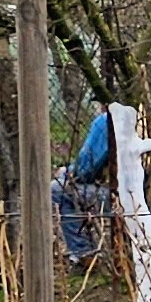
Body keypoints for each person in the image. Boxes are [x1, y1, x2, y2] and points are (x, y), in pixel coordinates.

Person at [53, 106, 116, 266]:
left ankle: (83, 255)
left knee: (57, 189)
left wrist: (68, 173)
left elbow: (85, 169)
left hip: (119, 196)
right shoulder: (144, 114)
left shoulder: (106, 120)